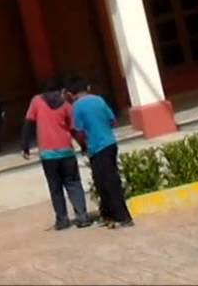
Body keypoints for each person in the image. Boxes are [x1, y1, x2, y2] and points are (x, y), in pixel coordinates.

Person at [21, 79, 91, 230]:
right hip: (66, 152)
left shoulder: (36, 101)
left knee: (55, 188)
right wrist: (83, 145)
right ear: (60, 90)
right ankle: (82, 216)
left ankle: (62, 220)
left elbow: (28, 123)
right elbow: (74, 129)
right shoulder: (65, 104)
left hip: (48, 155)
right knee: (73, 183)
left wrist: (25, 147)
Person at [66, 78, 134, 229]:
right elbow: (112, 120)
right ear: (88, 88)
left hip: (97, 148)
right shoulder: (99, 100)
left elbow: (78, 131)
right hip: (110, 143)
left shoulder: (76, 107)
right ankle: (109, 214)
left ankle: (123, 217)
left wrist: (83, 145)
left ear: (71, 94)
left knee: (106, 183)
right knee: (106, 180)